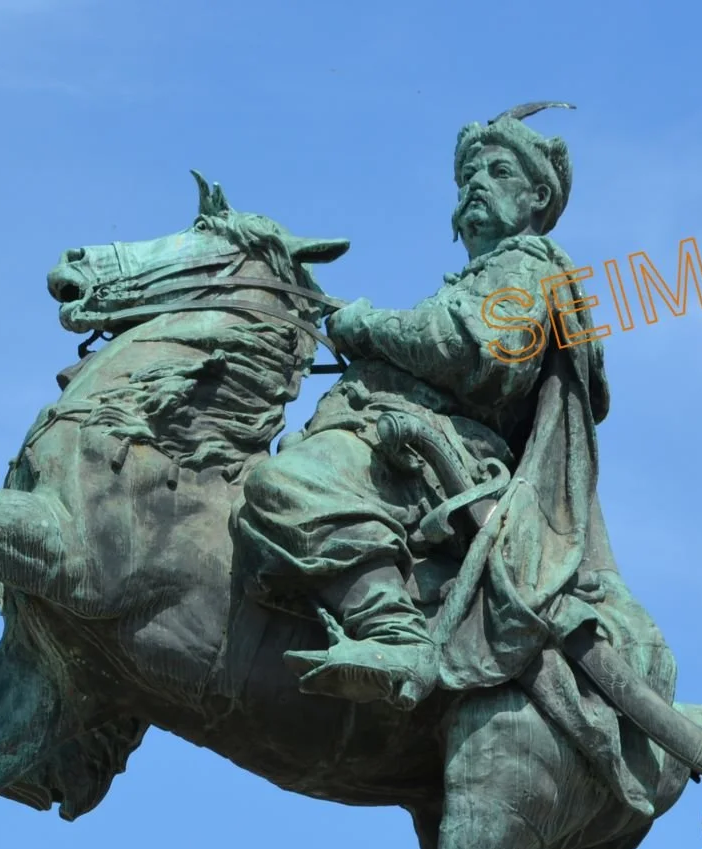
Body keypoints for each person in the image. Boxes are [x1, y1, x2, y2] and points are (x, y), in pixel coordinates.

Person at [235, 108, 609, 710]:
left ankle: (397, 636)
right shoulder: (477, 276)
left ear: (536, 194)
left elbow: (483, 350)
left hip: (442, 456)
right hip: (396, 439)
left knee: (286, 484)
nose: (474, 185)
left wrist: (367, 324)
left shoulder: (531, 264)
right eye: (465, 177)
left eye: (496, 170)